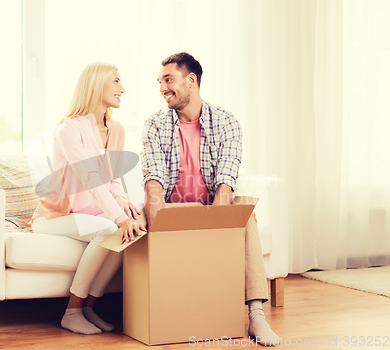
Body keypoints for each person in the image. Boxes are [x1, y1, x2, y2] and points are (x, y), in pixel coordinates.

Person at [141, 52, 281, 346]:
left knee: (246, 212)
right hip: (171, 209)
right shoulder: (155, 124)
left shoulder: (226, 121)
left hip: (209, 208)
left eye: (168, 80)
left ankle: (256, 315)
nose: (162, 88)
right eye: (159, 82)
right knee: (139, 215)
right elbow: (153, 178)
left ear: (191, 80)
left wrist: (217, 224)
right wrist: (157, 216)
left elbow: (226, 181)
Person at [31, 62, 146, 335]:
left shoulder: (115, 130)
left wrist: (124, 206)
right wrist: (119, 218)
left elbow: (112, 179)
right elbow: (91, 179)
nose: (123, 88)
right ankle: (71, 311)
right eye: (116, 81)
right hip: (54, 216)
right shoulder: (68, 130)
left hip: (91, 213)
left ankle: (89, 308)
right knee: (111, 228)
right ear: (97, 85)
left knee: (129, 233)